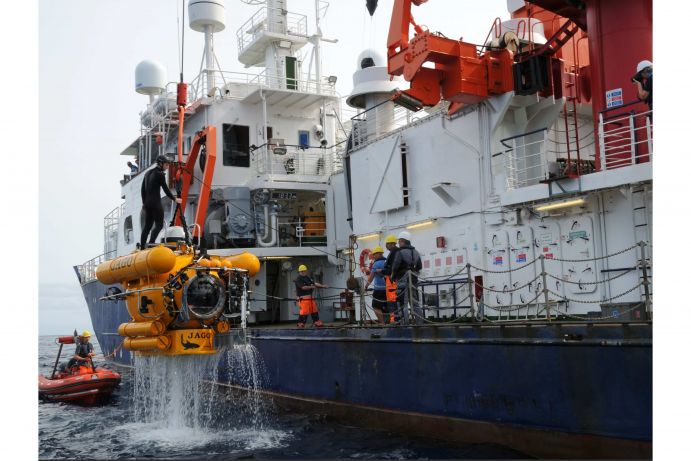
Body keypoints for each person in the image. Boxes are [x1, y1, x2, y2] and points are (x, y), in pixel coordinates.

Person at [140, 154, 182, 249]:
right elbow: (166, 189)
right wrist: (175, 199)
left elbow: (142, 190)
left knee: (147, 226)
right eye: (166, 165)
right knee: (159, 225)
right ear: (160, 164)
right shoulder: (160, 174)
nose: (167, 167)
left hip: (147, 204)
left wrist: (144, 203)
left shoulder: (147, 173)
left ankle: (142, 247)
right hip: (155, 203)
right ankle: (151, 244)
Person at [390, 231, 423, 325]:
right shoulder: (416, 252)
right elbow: (419, 267)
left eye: (399, 241)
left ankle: (405, 324)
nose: (398, 243)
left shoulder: (400, 252)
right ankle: (420, 323)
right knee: (415, 303)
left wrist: (392, 276)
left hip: (402, 280)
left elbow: (395, 266)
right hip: (413, 280)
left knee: (402, 303)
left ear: (403, 241)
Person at [364, 246, 388, 324]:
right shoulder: (387, 262)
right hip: (389, 289)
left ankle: (382, 324)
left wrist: (366, 286)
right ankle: (390, 323)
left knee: (376, 306)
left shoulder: (376, 264)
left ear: (379, 254)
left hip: (379, 289)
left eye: (375, 254)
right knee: (387, 306)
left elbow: (371, 277)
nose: (373, 256)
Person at [380, 235, 400, 320]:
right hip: (391, 280)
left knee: (392, 301)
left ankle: (394, 319)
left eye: (387, 244)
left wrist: (382, 271)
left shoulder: (395, 253)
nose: (386, 246)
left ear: (392, 244)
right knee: (393, 301)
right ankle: (395, 319)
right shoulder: (394, 252)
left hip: (392, 281)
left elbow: (392, 267)